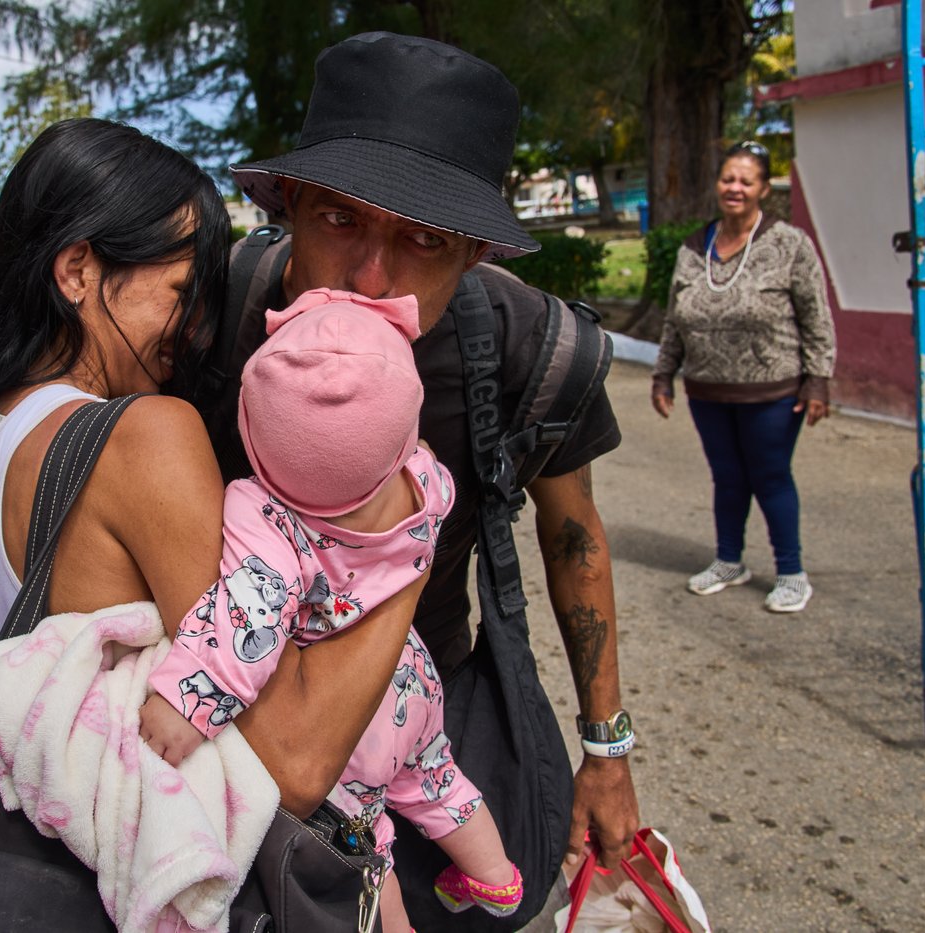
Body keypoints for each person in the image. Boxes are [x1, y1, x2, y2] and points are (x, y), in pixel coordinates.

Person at [198, 31, 642, 878]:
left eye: (425, 240)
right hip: (220, 732)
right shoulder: (213, 316)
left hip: (419, 732)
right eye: (341, 219)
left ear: (475, 250)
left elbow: (573, 534)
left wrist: (607, 750)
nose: (370, 276)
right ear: (291, 203)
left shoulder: (525, 347)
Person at [0, 118, 429, 828]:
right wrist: (406, 524)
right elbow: (295, 763)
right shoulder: (144, 435)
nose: (198, 328)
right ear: (77, 271)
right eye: (180, 290)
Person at [141, 289, 522, 931]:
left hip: (347, 708)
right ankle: (496, 877)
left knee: (363, 836)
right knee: (435, 778)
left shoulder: (261, 512)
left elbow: (251, 615)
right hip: (410, 677)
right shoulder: (422, 478)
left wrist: (187, 703)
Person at [650, 140, 836, 613]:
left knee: (770, 476)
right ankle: (729, 561)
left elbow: (816, 315)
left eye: (746, 181)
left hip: (773, 389)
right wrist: (663, 374)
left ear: (763, 189)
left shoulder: (789, 243)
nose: (735, 188)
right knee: (728, 477)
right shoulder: (695, 246)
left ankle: (791, 573)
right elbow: (674, 317)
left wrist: (819, 378)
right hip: (707, 388)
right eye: (728, 179)